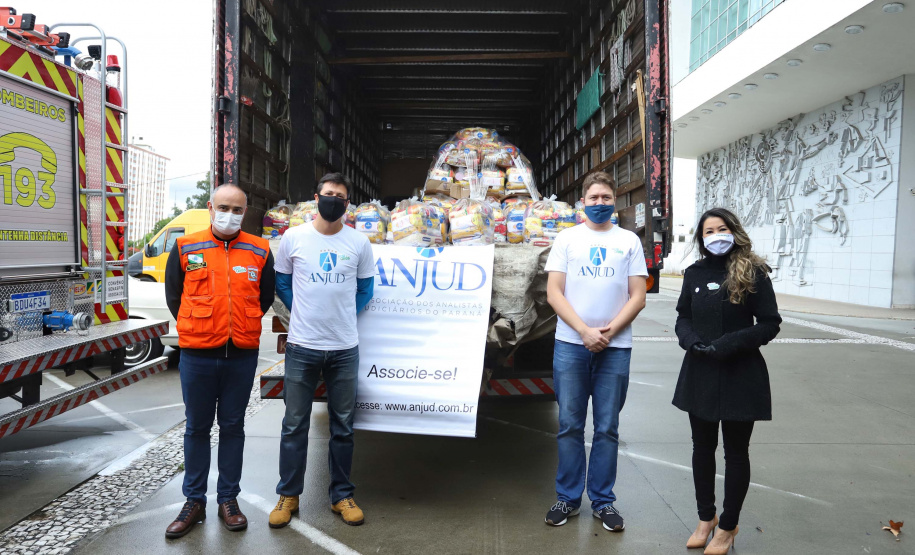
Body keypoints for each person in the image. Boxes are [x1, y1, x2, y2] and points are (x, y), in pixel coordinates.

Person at [164, 183, 275, 539]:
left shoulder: (259, 249)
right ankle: (193, 502)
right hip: (197, 355)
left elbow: (265, 297)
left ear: (246, 212)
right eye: (224, 207)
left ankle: (228, 499)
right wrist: (204, 325)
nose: (230, 214)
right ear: (211, 207)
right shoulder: (185, 246)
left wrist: (236, 323)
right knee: (196, 428)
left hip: (240, 355)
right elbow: (174, 296)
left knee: (232, 428)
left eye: (238, 209)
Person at [543, 171, 648, 532]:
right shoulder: (567, 239)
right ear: (582, 203)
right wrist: (585, 331)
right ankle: (568, 499)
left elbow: (639, 296)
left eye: (606, 198)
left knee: (607, 428)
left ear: (615, 201)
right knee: (570, 425)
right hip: (571, 345)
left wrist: (607, 332)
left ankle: (603, 502)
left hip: (615, 348)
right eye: (594, 198)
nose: (600, 204)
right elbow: (554, 292)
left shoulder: (629, 241)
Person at [269, 173, 375, 529]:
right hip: (302, 346)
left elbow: (366, 288)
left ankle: (341, 495)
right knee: (294, 424)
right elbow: (281, 280)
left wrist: (342, 314)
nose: (333, 200)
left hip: (344, 348)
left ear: (347, 203)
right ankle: (288, 495)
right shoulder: (293, 238)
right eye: (328, 194)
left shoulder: (359, 243)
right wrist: (303, 309)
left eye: (340, 197)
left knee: (343, 427)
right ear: (317, 197)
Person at [673, 207, 781, 554]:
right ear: (701, 238)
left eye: (722, 229)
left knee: (736, 452)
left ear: (733, 231)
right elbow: (683, 317)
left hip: (740, 372)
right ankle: (707, 518)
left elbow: (769, 322)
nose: (715, 235)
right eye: (708, 231)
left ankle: (729, 526)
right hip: (700, 369)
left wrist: (729, 343)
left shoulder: (754, 272)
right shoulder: (693, 273)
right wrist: (692, 342)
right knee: (702, 447)